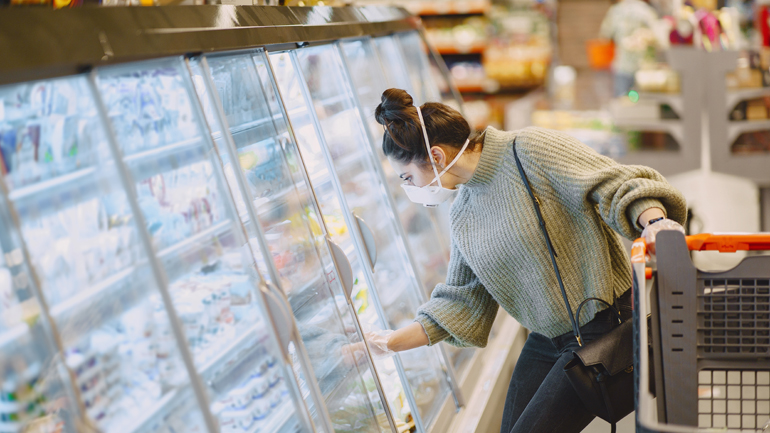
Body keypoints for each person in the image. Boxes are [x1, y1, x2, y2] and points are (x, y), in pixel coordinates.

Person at [360, 89, 686, 433]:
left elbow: (615, 183)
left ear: (437, 157)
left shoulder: (528, 149)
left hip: (603, 324)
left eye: (407, 178)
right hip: (548, 339)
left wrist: (654, 223)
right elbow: (461, 301)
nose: (410, 188)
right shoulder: (462, 214)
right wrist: (387, 343)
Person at [599, 0, 660, 97]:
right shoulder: (646, 11)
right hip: (644, 69)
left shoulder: (616, 11)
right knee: (642, 104)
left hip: (622, 65)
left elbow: (605, 37)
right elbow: (658, 37)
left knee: (622, 104)